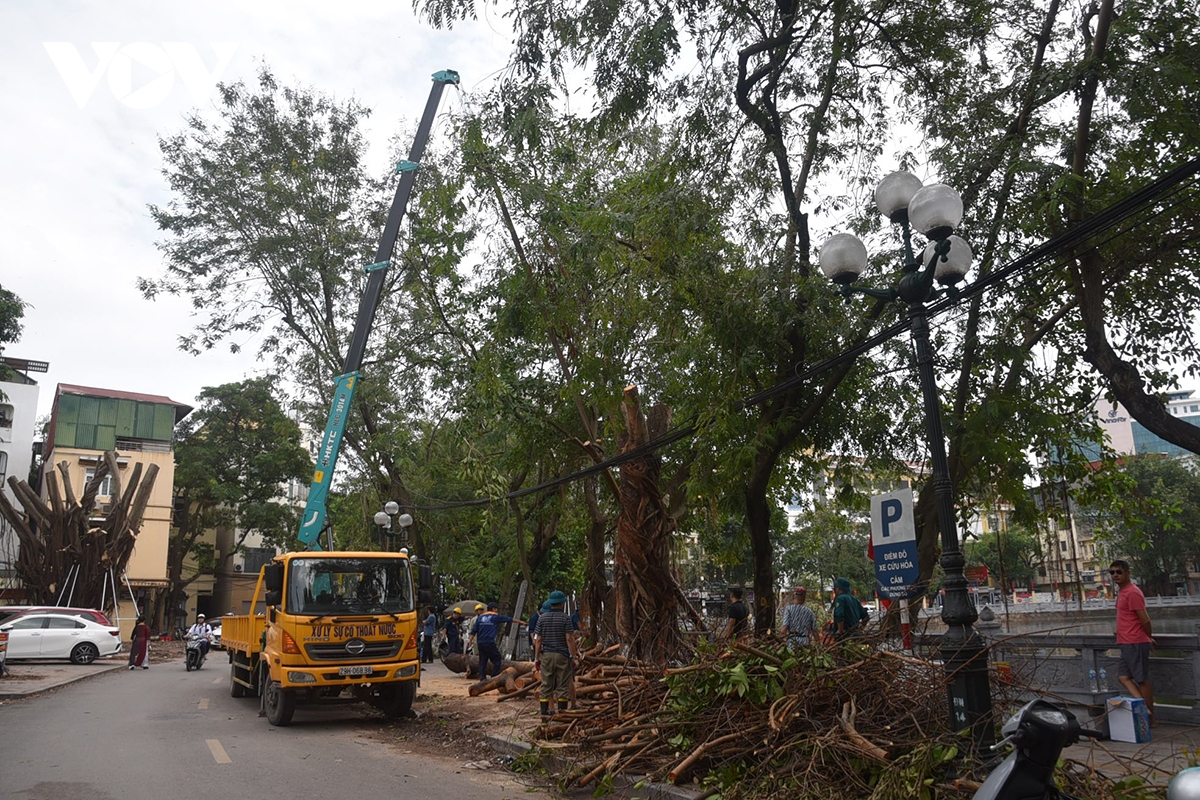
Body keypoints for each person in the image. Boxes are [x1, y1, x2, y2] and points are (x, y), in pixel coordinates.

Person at [1111, 560, 1155, 723]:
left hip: (1135, 641)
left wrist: (1148, 638)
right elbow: (1128, 618)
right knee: (1123, 677)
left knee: (1141, 679)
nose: (1115, 575)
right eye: (1112, 572)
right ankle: (1145, 709)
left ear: (1128, 573)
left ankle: (1151, 718)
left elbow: (1145, 620)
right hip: (1125, 640)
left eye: (1119, 572)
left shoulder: (1133, 592)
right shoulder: (1122, 592)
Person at [533, 590, 580, 717]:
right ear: (562, 604)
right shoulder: (566, 618)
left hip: (547, 655)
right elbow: (569, 639)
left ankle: (544, 714)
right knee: (562, 686)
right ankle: (562, 714)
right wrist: (574, 656)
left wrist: (537, 658)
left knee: (546, 685)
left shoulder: (542, 618)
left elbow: (538, 640)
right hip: (562, 656)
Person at [466, 602, 525, 681]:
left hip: (480, 642)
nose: (497, 611)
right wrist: (521, 622)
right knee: (497, 659)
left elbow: (473, 631)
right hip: (489, 642)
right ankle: (494, 676)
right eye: (496, 609)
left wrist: (469, 640)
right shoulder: (495, 617)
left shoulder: (480, 618)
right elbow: (509, 619)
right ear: (494, 609)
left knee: (482, 661)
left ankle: (482, 678)